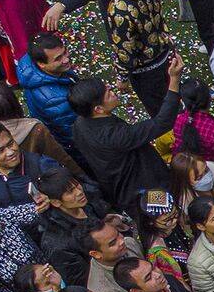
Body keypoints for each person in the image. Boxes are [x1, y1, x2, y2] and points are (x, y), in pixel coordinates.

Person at [68, 55, 184, 210]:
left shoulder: (80, 124)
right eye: (108, 93)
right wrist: (174, 80)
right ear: (98, 109)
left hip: (121, 187)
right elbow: (162, 123)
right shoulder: (115, 136)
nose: (113, 92)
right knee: (168, 215)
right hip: (144, 190)